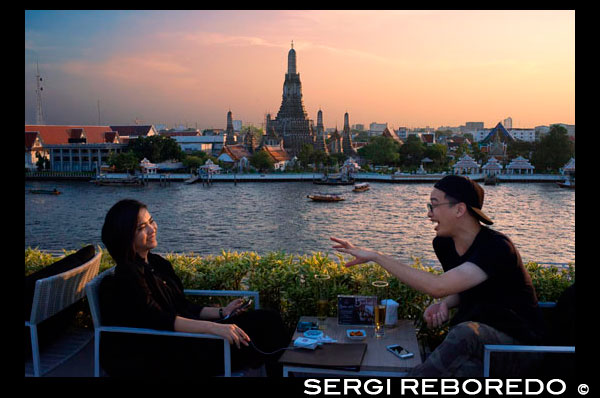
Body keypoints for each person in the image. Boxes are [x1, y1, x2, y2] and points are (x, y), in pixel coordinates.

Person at [331, 175, 545, 377]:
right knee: (463, 372)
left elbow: (438, 286)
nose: (429, 213)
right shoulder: (443, 244)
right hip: (481, 349)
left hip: (519, 347)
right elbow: (463, 288)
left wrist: (376, 256)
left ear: (459, 209)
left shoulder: (497, 247)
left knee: (465, 332)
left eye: (433, 205)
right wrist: (445, 303)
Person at [99, 199, 290, 377]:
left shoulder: (157, 263)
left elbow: (183, 305)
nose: (152, 229)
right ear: (125, 236)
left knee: (268, 319)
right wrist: (215, 328)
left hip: (188, 337)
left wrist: (223, 312)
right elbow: (159, 320)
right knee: (266, 330)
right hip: (172, 352)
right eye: (142, 227)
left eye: (151, 221)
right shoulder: (128, 276)